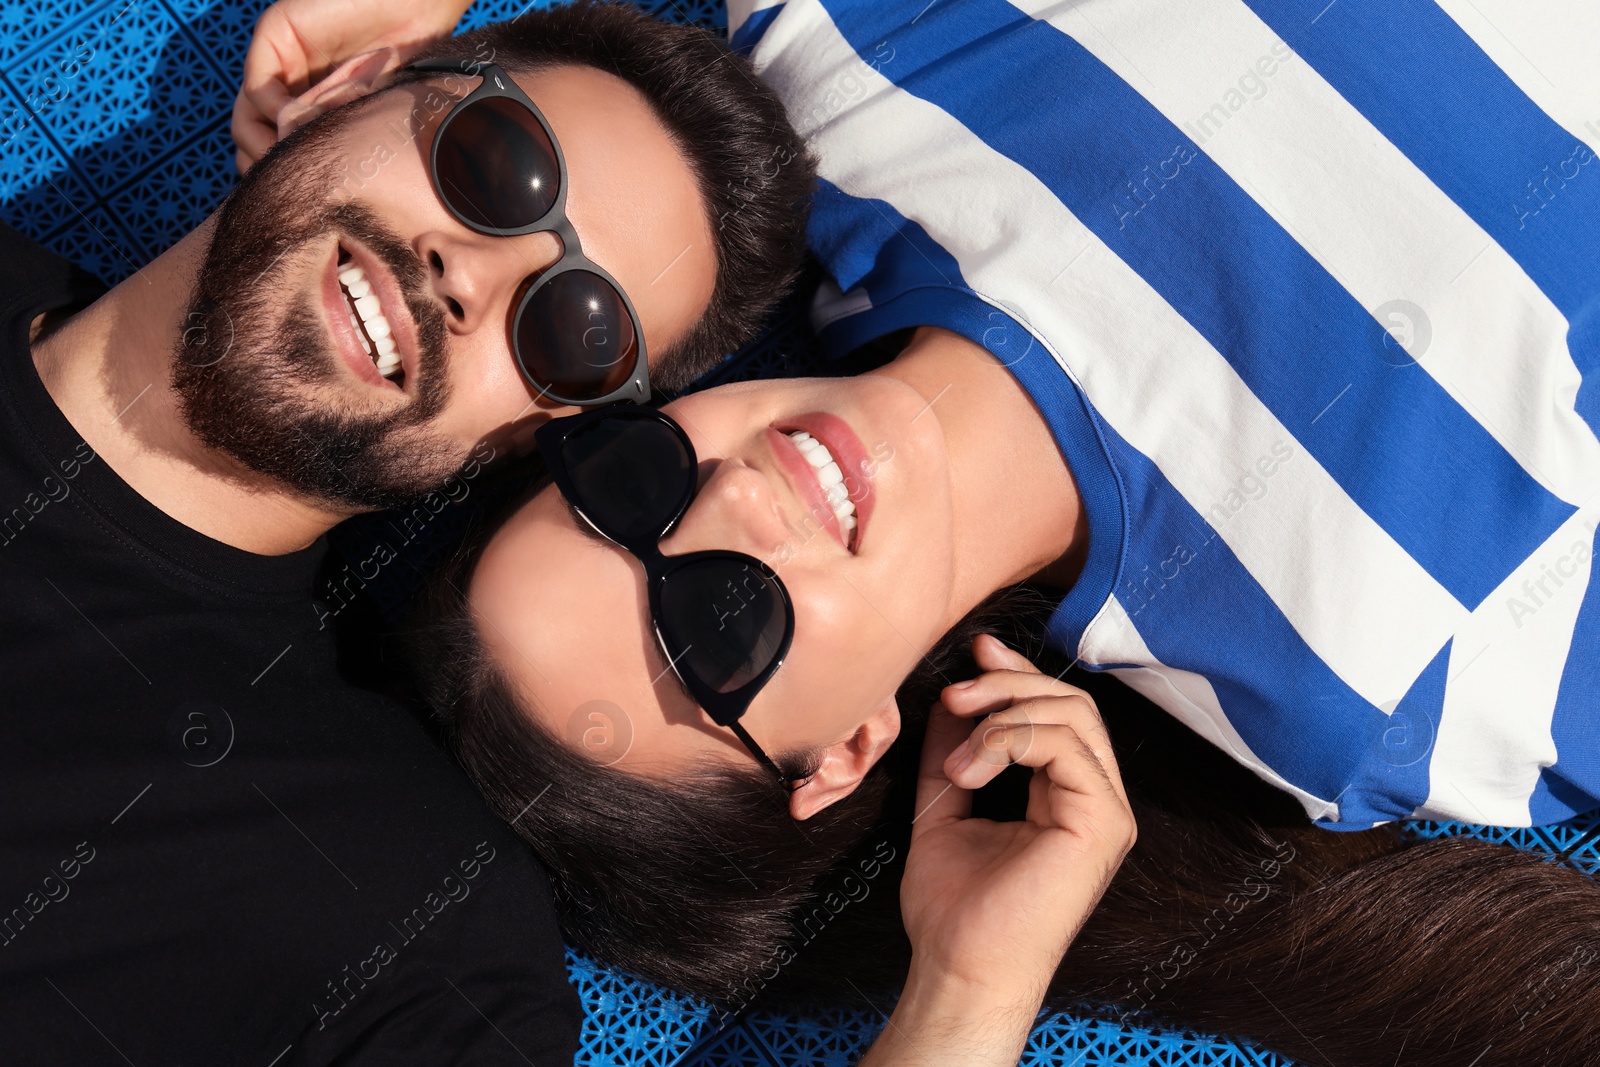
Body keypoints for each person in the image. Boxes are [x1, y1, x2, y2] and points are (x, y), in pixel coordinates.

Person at [242, 0, 1600, 1063]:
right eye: (716, 622)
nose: (732, 500)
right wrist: (966, 992)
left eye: (631, 485)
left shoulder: (835, 59)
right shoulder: (1385, 675)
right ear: (847, 752)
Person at [0, 3, 816, 1063]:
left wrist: (971, 988)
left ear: (538, 433)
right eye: (494, 158)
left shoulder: (391, 913)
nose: (469, 275)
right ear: (347, 90)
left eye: (576, 327)